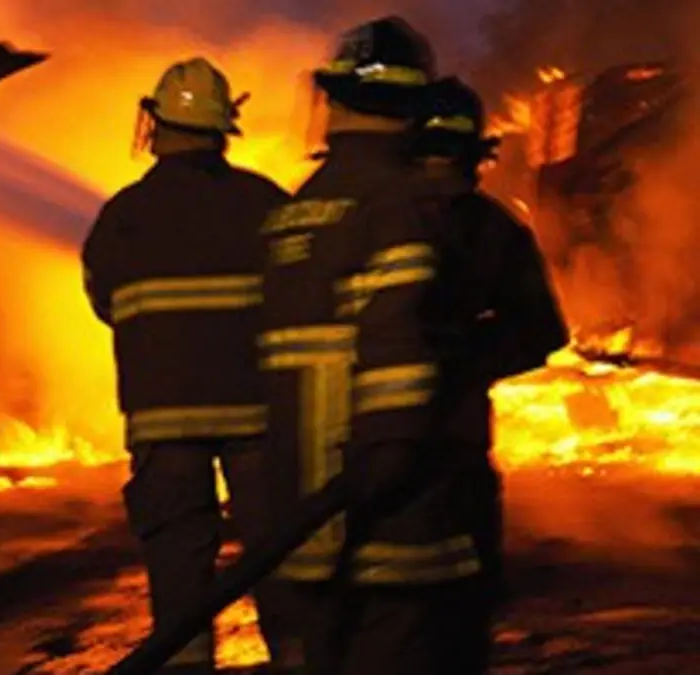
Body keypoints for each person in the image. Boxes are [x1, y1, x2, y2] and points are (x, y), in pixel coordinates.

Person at [258, 17, 485, 674]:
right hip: (389, 509)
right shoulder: (400, 204)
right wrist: (389, 456)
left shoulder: (295, 210)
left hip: (304, 506)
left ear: (332, 99)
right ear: (413, 108)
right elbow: (399, 344)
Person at [80, 58, 296, 673]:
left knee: (178, 568)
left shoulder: (121, 216)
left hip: (161, 420)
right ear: (225, 127)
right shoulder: (265, 204)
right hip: (260, 415)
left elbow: (105, 304)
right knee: (278, 554)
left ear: (154, 123)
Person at [411, 75, 570, 671]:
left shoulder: (364, 217)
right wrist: (467, 364)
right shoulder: (493, 229)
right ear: (477, 154)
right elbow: (544, 331)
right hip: (457, 449)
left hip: (358, 453)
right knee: (460, 612)